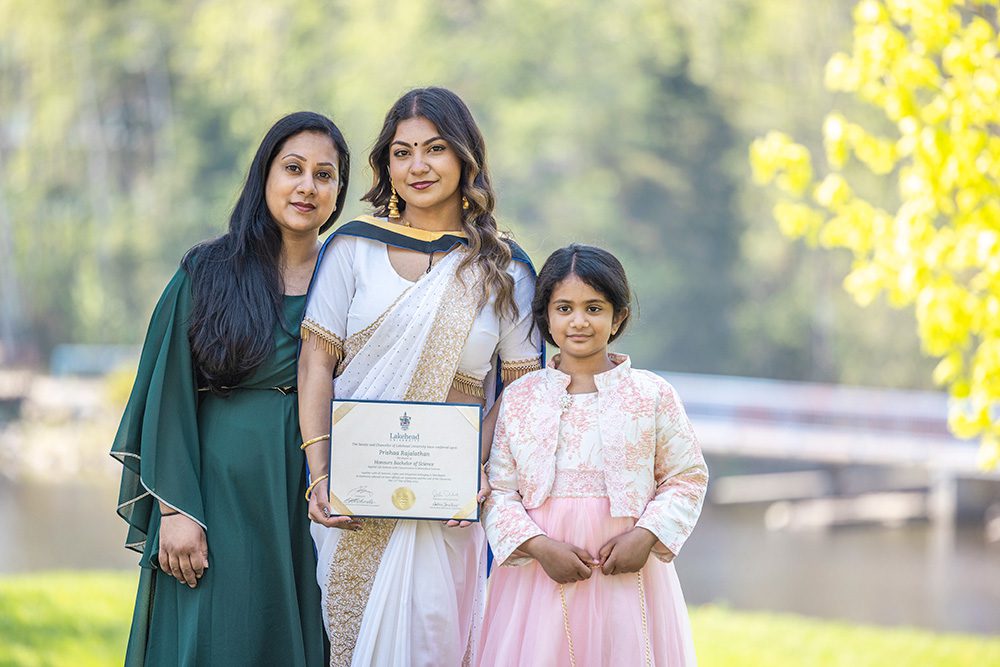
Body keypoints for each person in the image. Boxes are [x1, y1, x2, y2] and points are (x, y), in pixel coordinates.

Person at [298, 87, 542, 666]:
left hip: (448, 504)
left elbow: (520, 393)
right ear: (386, 163)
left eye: (434, 149)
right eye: (402, 152)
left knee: (435, 642)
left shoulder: (503, 268)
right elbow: (315, 365)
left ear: (464, 158)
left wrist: (478, 474)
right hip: (353, 500)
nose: (418, 166)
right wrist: (320, 475)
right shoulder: (352, 249)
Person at [111, 111, 350, 666]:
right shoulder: (208, 270)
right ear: (265, 175)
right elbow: (164, 397)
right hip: (219, 498)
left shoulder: (350, 276)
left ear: (339, 192)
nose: (307, 186)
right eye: (293, 168)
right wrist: (177, 510)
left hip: (315, 493)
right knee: (217, 636)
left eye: (325, 174)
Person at [479, 244, 709, 667]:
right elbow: (498, 491)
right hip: (538, 577)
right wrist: (538, 545)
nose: (579, 321)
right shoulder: (520, 398)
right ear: (546, 315)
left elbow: (687, 476)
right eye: (564, 308)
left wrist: (647, 535)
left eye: (594, 308)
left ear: (618, 316)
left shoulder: (651, 394)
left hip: (628, 570)